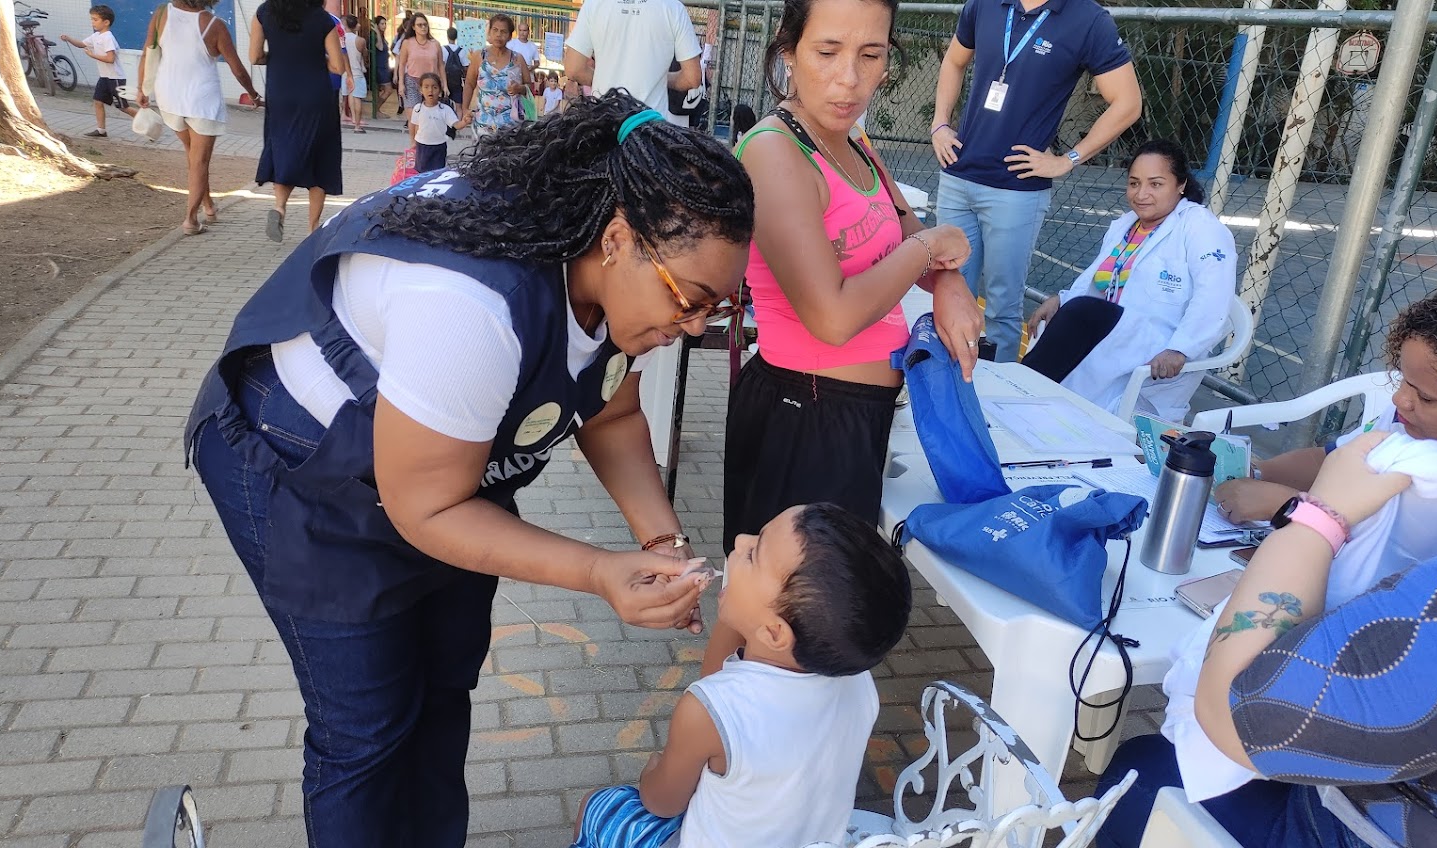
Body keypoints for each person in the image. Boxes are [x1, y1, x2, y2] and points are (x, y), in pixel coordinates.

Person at [185, 91, 754, 848]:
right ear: (617, 237)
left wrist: (658, 542)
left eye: (713, 313)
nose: (690, 329)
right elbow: (426, 510)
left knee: (445, 683)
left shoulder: (607, 276)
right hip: (301, 467)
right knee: (366, 726)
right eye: (689, 301)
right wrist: (597, 572)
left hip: (441, 480)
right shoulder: (475, 303)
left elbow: (610, 412)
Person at [710, 0, 982, 673]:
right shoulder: (777, 152)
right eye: (828, 51)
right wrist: (934, 254)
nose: (849, 79)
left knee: (809, 622)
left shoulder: (855, 143)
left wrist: (946, 279)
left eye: (872, 54)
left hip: (852, 417)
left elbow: (909, 234)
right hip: (803, 417)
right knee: (773, 622)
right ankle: (713, 753)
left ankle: (745, 751)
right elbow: (830, 316)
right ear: (790, 50)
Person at [1094, 432, 1437, 848]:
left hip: (1335, 822)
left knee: (1138, 771)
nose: (1399, 398)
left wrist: (1318, 517)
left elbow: (1236, 711)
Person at [572, 503, 913, 848]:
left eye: (753, 554)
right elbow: (721, 681)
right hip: (813, 839)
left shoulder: (706, 712)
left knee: (598, 805)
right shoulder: (856, 679)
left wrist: (651, 772)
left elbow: (662, 802)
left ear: (775, 633)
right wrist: (737, 609)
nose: (739, 541)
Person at [929, 0, 1141, 362]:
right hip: (958, 174)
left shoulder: (1088, 19)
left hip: (1016, 190)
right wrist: (939, 123)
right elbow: (954, 60)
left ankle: (996, 404)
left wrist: (1068, 159)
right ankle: (947, 391)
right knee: (947, 293)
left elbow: (1128, 102)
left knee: (1001, 310)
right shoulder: (984, 4)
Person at [1215, 277, 1437, 525]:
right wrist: (1255, 471)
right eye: (1403, 379)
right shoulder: (1405, 419)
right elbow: (1330, 460)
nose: (1399, 399)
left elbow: (1399, 542)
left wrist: (1293, 506)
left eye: (1426, 398)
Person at [1021, 140, 1236, 422]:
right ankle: (1025, 395)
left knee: (1081, 313)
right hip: (1111, 330)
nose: (1141, 194)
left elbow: (1214, 296)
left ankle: (1021, 395)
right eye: (1134, 183)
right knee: (1071, 313)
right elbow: (1096, 278)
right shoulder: (1126, 225)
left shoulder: (1200, 227)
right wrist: (1062, 298)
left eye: (1155, 184)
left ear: (1180, 184)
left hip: (1158, 341)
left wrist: (1180, 348)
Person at [137, 0, 261, 236]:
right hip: (202, 100)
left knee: (193, 157)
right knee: (200, 161)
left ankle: (209, 207)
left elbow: (148, 52)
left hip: (169, 96)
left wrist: (143, 89)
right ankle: (191, 220)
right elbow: (237, 69)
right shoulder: (215, 25)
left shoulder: (162, 13)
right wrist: (254, 95)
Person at [250, 0, 345, 243]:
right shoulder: (323, 19)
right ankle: (312, 228)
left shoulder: (264, 12)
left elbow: (255, 56)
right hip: (316, 97)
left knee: (282, 147)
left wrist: (281, 56)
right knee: (320, 155)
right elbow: (337, 66)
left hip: (280, 93)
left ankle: (280, 207)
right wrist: (313, 58)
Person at [564, 0, 702, 121]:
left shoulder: (595, 4)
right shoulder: (673, 8)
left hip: (604, 122)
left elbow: (573, 68)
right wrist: (658, 78)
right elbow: (692, 78)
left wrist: (610, 80)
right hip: (650, 129)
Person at [62, 4, 139, 138]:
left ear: (106, 22)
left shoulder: (108, 37)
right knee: (98, 102)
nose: (93, 22)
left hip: (115, 78)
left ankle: (147, 121)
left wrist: (93, 56)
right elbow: (81, 44)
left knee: (122, 107)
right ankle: (101, 130)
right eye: (92, 19)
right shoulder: (96, 36)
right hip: (104, 77)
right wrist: (68, 38)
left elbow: (110, 58)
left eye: (95, 19)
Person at [460, 14, 530, 137]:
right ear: (490, 33)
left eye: (503, 32)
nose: (498, 35)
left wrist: (520, 88)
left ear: (509, 36)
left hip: (511, 129)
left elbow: (529, 87)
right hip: (483, 127)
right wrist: (465, 109)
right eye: (495, 30)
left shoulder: (518, 59)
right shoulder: (479, 56)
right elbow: (469, 84)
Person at [409, 73, 470, 173]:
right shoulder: (418, 108)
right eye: (426, 87)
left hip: (439, 146)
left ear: (440, 91)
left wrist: (464, 122)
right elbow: (414, 125)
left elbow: (456, 125)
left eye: (434, 87)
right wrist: (413, 141)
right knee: (421, 172)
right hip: (422, 146)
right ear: (421, 90)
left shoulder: (445, 110)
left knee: (437, 172)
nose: (430, 90)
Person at [397, 13, 446, 113]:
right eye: (420, 25)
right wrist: (401, 84)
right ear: (413, 27)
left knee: (429, 113)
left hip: (430, 83)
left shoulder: (435, 44)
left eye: (425, 24)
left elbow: (441, 65)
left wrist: (444, 84)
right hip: (412, 80)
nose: (423, 27)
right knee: (413, 115)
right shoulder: (407, 43)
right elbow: (401, 64)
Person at [339, 15, 368, 132]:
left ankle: (351, 118)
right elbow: (365, 56)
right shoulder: (360, 41)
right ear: (355, 25)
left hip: (345, 73)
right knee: (357, 99)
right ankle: (357, 124)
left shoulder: (341, 39)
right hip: (357, 73)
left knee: (349, 96)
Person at [369, 15, 394, 107]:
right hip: (380, 67)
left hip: (384, 65)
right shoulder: (374, 36)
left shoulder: (381, 35)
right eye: (382, 24)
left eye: (385, 24)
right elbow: (379, 47)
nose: (384, 26)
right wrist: (377, 32)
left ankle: (376, 108)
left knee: (381, 90)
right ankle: (376, 108)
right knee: (388, 89)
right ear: (377, 25)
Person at [442, 25, 466, 109]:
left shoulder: (443, 49)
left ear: (447, 36)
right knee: (459, 106)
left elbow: (440, 65)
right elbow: (465, 66)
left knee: (443, 105)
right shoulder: (462, 50)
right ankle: (458, 121)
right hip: (457, 81)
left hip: (445, 80)